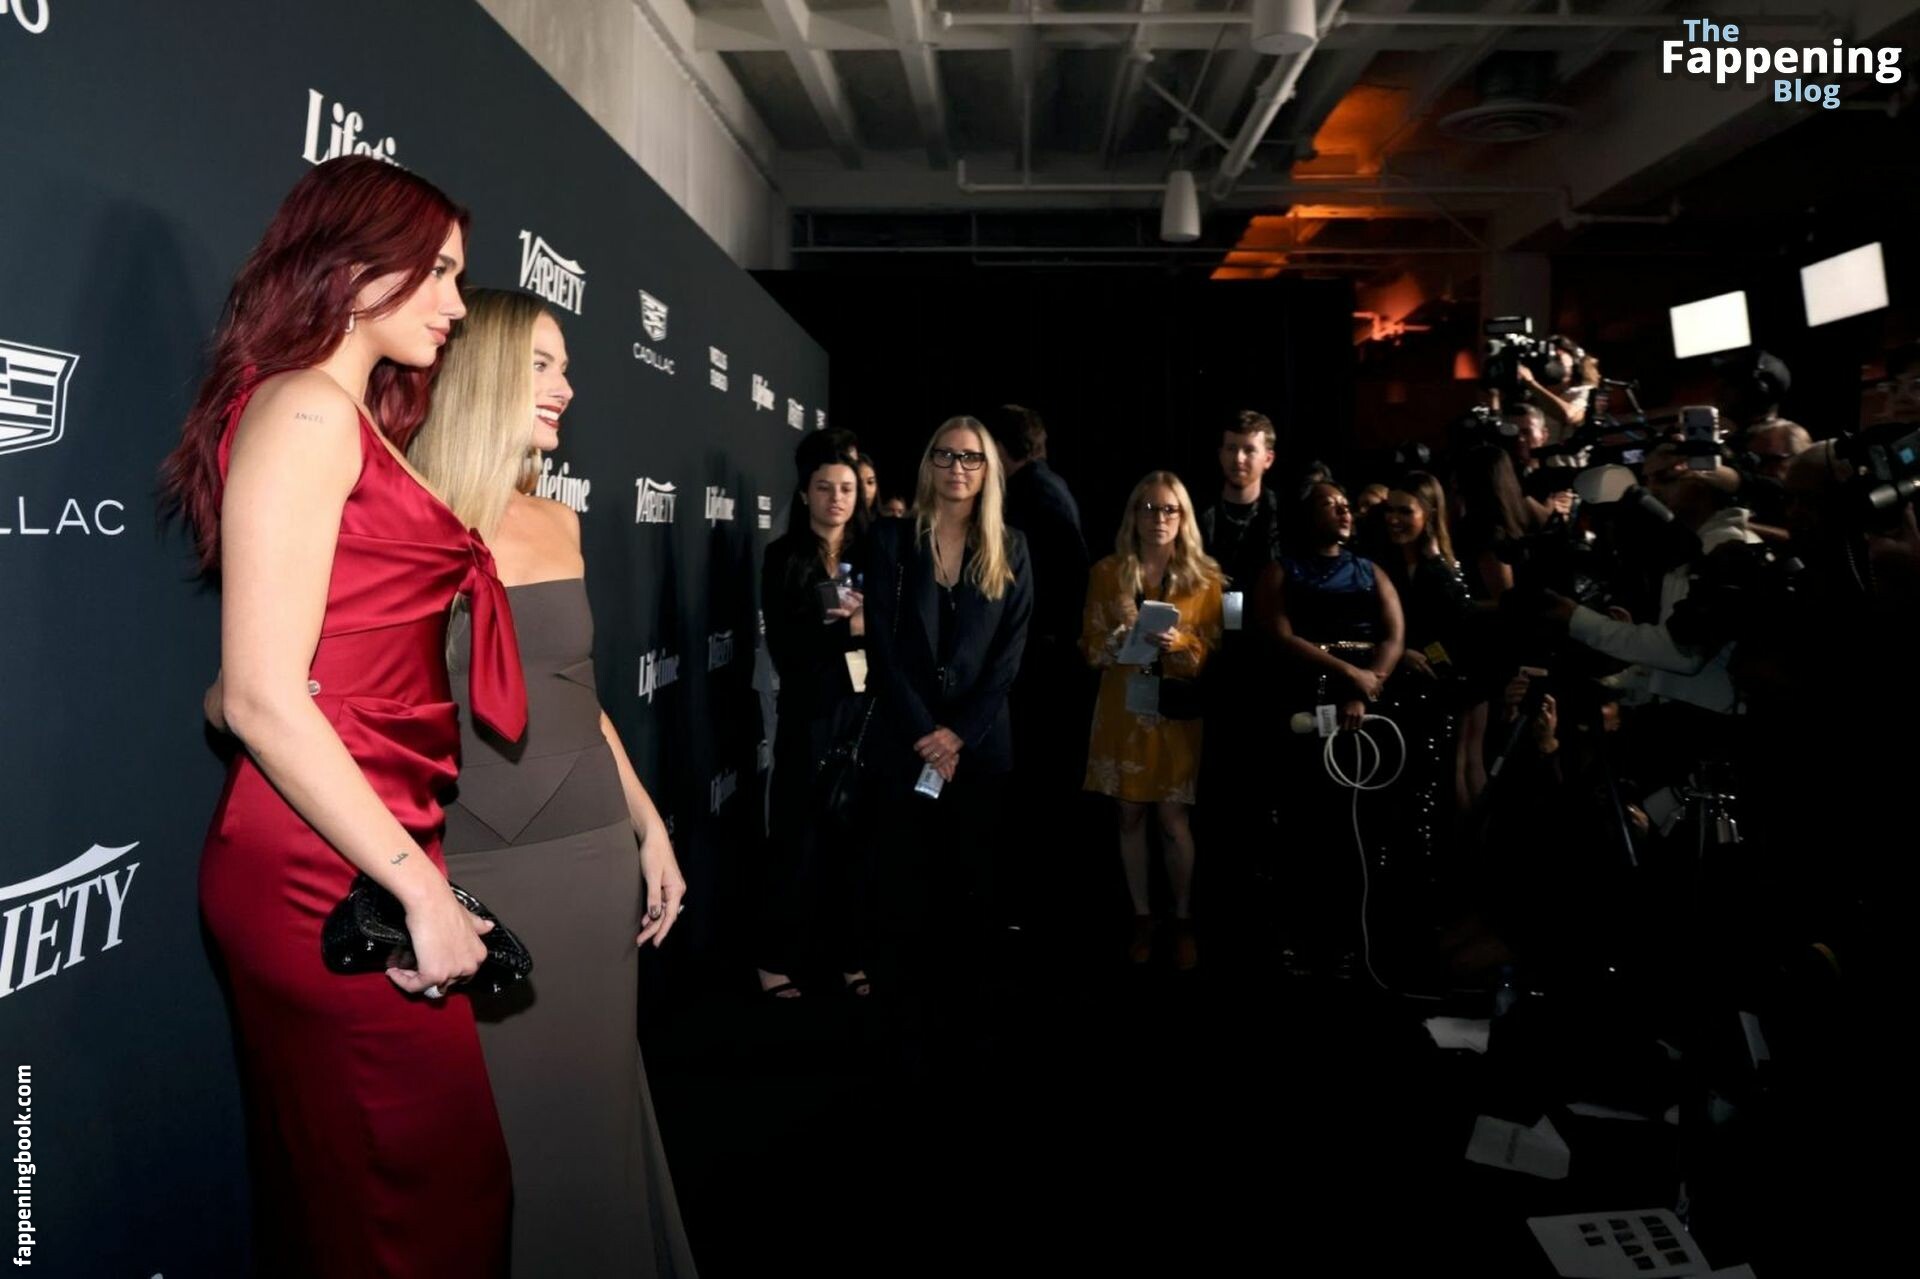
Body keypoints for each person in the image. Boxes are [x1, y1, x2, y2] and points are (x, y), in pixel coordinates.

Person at [162, 157, 518, 1277]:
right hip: (324, 864)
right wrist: (421, 891)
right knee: (416, 1202)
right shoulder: (311, 407)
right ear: (356, 266)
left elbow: (251, 683)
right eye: (438, 273)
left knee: (373, 1197)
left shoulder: (333, 410)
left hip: (358, 832)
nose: (457, 305)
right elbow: (261, 695)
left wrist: (264, 694)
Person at [406, 289, 697, 1277]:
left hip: (586, 851)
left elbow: (579, 698)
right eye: (541, 364)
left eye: (565, 367)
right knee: (492, 1140)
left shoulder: (558, 522)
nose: (565, 387)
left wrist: (649, 830)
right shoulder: (394, 522)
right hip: (466, 863)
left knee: (592, 1111)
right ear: (479, 370)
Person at [863, 416, 1032, 1038]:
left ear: (988, 470)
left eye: (971, 457)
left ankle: (967, 1020)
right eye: (946, 455)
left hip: (980, 748)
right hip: (906, 742)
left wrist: (957, 734)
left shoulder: (1012, 546)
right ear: (928, 464)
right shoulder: (891, 539)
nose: (957, 468)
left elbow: (1009, 658)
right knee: (906, 887)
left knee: (973, 885)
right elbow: (882, 650)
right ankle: (904, 1024)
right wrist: (926, 734)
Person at [1254, 482, 1406, 973]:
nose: (1343, 510)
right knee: (1300, 822)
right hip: (1303, 698)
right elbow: (1279, 634)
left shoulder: (1370, 571)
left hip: (1364, 703)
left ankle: (1349, 938)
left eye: (1345, 504)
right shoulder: (1282, 570)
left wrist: (1367, 685)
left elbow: (1394, 635)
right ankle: (1294, 934)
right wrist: (1348, 674)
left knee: (1354, 826)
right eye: (1329, 503)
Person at [1081, 472, 1225, 970]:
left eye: (1168, 509)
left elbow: (1214, 652)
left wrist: (1178, 642)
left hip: (1174, 712)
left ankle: (1182, 918)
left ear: (1183, 517)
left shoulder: (1205, 578)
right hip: (1123, 707)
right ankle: (1143, 916)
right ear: (1132, 515)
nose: (1158, 518)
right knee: (1128, 813)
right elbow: (1089, 648)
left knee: (1172, 818)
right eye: (1147, 508)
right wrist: (1121, 639)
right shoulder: (1107, 572)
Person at [753, 430, 874, 1000]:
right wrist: (850, 627)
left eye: (846, 488)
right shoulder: (783, 558)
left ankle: (850, 956)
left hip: (865, 716)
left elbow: (893, 637)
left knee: (855, 842)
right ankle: (774, 960)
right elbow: (789, 647)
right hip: (807, 716)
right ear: (805, 494)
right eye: (824, 487)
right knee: (796, 841)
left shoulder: (874, 555)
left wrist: (854, 629)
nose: (836, 498)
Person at [981, 403, 1090, 932]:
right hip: (1044, 660)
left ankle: (1025, 904)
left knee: (1030, 788)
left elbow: (1054, 584)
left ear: (1002, 449)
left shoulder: (1033, 496)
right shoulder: (1048, 488)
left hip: (1039, 666)